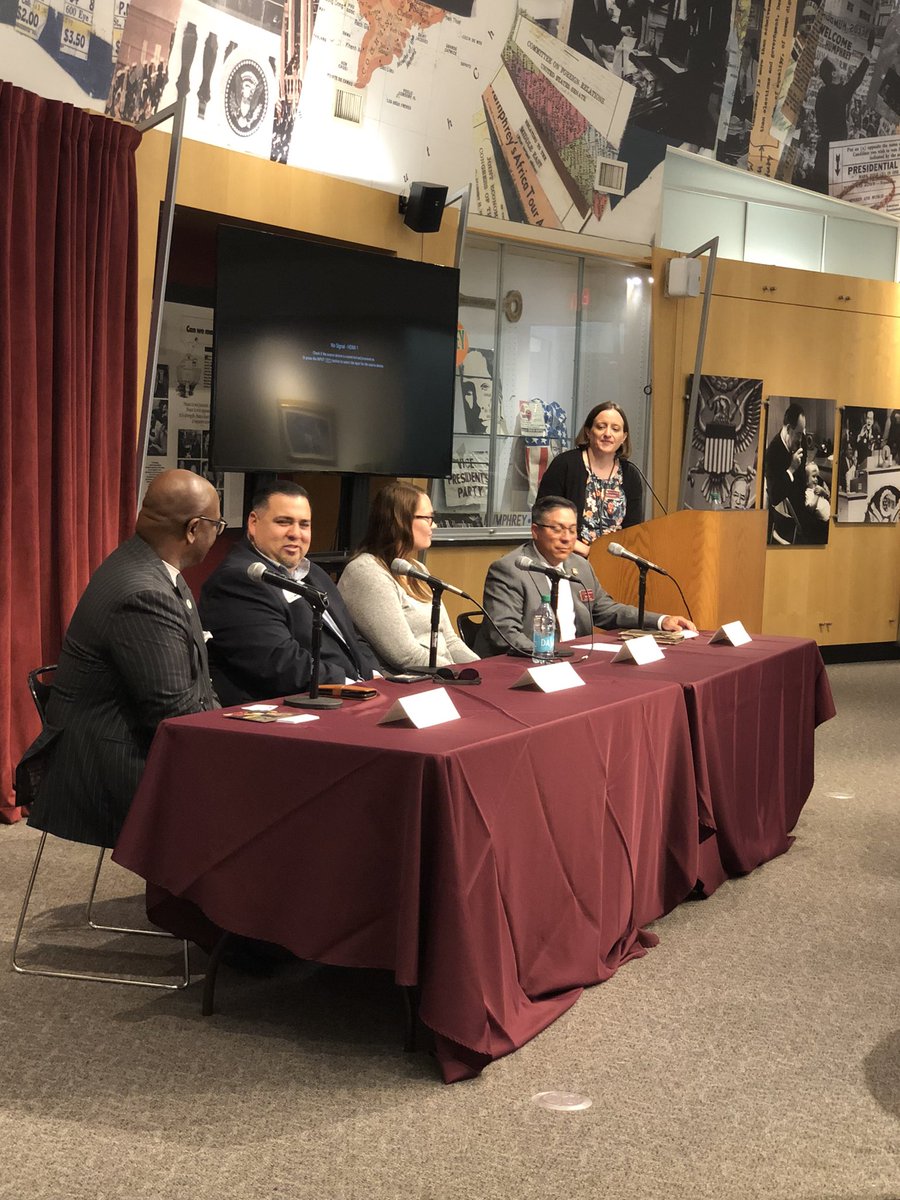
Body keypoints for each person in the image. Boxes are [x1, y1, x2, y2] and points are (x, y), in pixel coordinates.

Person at [15, 469, 223, 848]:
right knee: (257, 795)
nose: (217, 534)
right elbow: (173, 716)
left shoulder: (140, 563)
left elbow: (193, 690)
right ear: (194, 528)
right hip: (105, 768)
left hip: (112, 743)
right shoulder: (144, 592)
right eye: (217, 525)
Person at [200, 481, 378, 705]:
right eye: (284, 522)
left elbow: (353, 638)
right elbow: (280, 664)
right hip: (291, 709)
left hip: (353, 695)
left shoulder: (315, 573)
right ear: (253, 523)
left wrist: (375, 677)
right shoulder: (239, 579)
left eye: (304, 525)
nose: (296, 534)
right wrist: (353, 685)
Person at [474, 496, 695, 657]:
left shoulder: (580, 565)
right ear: (535, 530)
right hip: (527, 665)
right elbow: (505, 634)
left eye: (572, 530)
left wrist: (660, 621)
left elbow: (606, 610)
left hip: (577, 661)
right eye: (557, 529)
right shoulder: (509, 570)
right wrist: (552, 656)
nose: (566, 538)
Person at [338, 482, 479, 672]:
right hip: (405, 682)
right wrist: (458, 674)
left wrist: (481, 669)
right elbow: (405, 656)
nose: (434, 525)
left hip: (440, 675)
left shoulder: (416, 568)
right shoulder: (366, 572)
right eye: (428, 518)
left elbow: (450, 641)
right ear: (400, 521)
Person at [536, 402, 643, 557]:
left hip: (615, 564)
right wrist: (589, 552)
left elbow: (633, 530)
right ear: (588, 432)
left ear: (624, 437)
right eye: (601, 427)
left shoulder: (630, 474)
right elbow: (545, 517)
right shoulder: (565, 465)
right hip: (569, 558)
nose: (608, 433)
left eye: (615, 429)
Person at [764, 402, 807, 545]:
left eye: (803, 433)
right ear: (789, 429)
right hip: (788, 519)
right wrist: (791, 469)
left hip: (803, 504)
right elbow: (775, 496)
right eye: (799, 434)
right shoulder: (772, 452)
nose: (801, 439)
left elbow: (802, 482)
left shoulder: (802, 442)